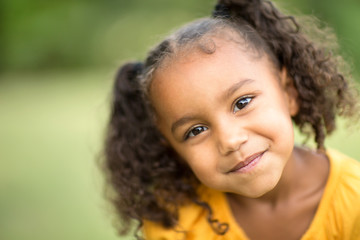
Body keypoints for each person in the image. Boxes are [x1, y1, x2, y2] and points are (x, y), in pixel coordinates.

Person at [102, 0, 360, 239]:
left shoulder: (354, 204)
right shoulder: (175, 223)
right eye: (196, 130)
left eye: (242, 103)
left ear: (289, 92)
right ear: (169, 146)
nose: (230, 140)